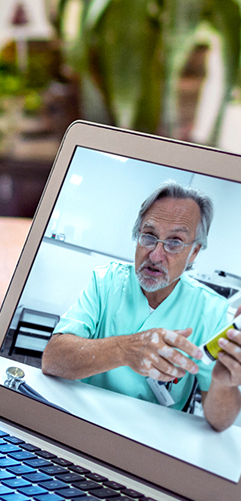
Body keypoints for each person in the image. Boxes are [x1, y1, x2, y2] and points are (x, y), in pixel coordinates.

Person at [41, 183, 241, 432]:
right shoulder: (106, 282)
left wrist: (224, 385)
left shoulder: (210, 310)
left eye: (175, 242)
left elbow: (220, 421)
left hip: (153, 442)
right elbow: (52, 359)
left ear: (194, 252)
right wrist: (126, 349)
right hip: (84, 423)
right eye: (148, 236)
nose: (156, 255)